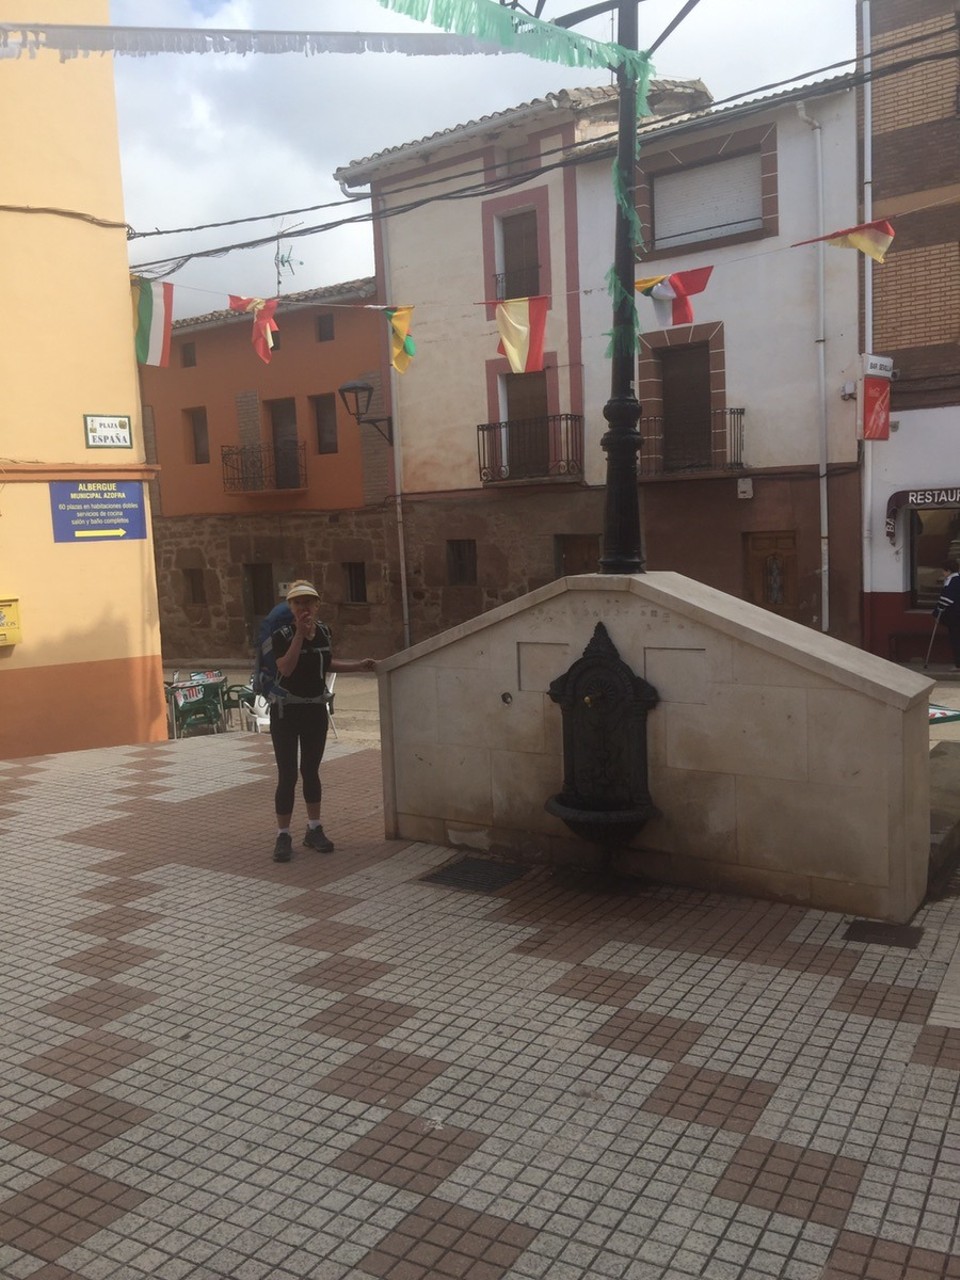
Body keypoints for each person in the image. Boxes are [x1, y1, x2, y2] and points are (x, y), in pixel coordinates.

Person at [269, 580, 375, 863]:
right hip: (286, 713)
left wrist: (357, 666)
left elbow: (325, 663)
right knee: (288, 774)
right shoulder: (282, 634)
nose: (303, 607)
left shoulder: (325, 631)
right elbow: (286, 668)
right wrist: (299, 637)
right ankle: (283, 835)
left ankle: (314, 829)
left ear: (317, 604)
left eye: (308, 602)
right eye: (297, 602)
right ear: (290, 607)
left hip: (315, 711)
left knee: (311, 771)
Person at [933, 559, 960, 669]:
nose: (942, 573)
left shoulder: (952, 581)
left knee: (956, 639)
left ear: (948, 570)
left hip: (955, 616)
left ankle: (958, 664)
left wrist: (937, 612)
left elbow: (946, 599)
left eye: (943, 571)